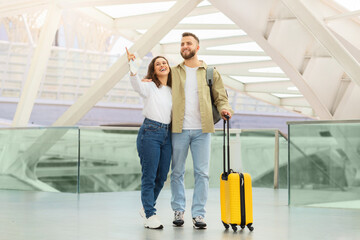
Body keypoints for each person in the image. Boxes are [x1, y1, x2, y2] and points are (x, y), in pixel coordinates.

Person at [170, 32, 233, 229]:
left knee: (202, 174)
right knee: (177, 172)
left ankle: (198, 214)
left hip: (202, 130)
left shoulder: (210, 72)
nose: (184, 46)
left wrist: (225, 109)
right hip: (178, 129)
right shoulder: (174, 71)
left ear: (197, 47)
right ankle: (178, 210)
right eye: (182, 44)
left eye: (188, 43)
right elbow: (158, 86)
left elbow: (221, 97)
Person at [126, 48, 172, 229]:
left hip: (167, 135)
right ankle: (150, 214)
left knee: (161, 177)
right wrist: (133, 67)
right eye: (157, 63)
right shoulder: (150, 86)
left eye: (164, 63)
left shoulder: (173, 90)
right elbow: (136, 84)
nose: (162, 65)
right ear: (153, 70)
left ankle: (146, 207)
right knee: (149, 176)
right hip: (150, 133)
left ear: (169, 68)